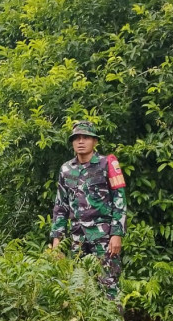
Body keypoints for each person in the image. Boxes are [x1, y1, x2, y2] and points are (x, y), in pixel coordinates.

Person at [50, 121, 127, 299]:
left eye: (86, 137)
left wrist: (117, 234)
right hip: (77, 237)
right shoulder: (66, 169)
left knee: (108, 283)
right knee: (79, 284)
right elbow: (61, 206)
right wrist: (57, 240)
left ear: (95, 141)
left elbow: (120, 199)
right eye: (77, 138)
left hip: (103, 237)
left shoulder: (107, 164)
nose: (81, 142)